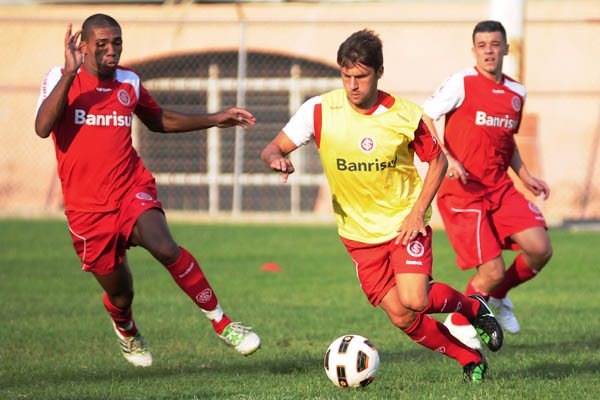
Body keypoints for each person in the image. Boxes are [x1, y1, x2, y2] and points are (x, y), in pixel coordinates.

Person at [261, 29, 503, 383]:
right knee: (402, 316)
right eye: (346, 76)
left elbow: (437, 161)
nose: (352, 85)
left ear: (379, 73)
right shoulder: (319, 111)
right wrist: (276, 159)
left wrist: (417, 212)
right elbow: (273, 147)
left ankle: (471, 307)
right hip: (358, 236)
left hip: (405, 223)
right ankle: (469, 359)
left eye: (361, 76)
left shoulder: (405, 115)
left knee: (415, 299)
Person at [34, 14, 261, 367]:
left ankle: (223, 323)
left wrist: (214, 118)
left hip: (130, 187)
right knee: (121, 294)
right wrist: (68, 74)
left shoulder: (129, 81)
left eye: (117, 43)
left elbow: (159, 120)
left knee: (164, 246)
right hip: (86, 208)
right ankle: (126, 328)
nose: (112, 51)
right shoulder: (60, 78)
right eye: (102, 44)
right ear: (83, 46)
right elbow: (42, 127)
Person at [422, 20, 553, 349]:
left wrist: (526, 176)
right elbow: (425, 117)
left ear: (506, 48)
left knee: (540, 249)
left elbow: (507, 141)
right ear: (474, 51)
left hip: (500, 187)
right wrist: (447, 158)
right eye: (482, 46)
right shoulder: (461, 82)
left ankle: (498, 296)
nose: (489, 51)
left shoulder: (517, 93)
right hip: (463, 192)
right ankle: (459, 322)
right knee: (491, 270)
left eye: (495, 44)